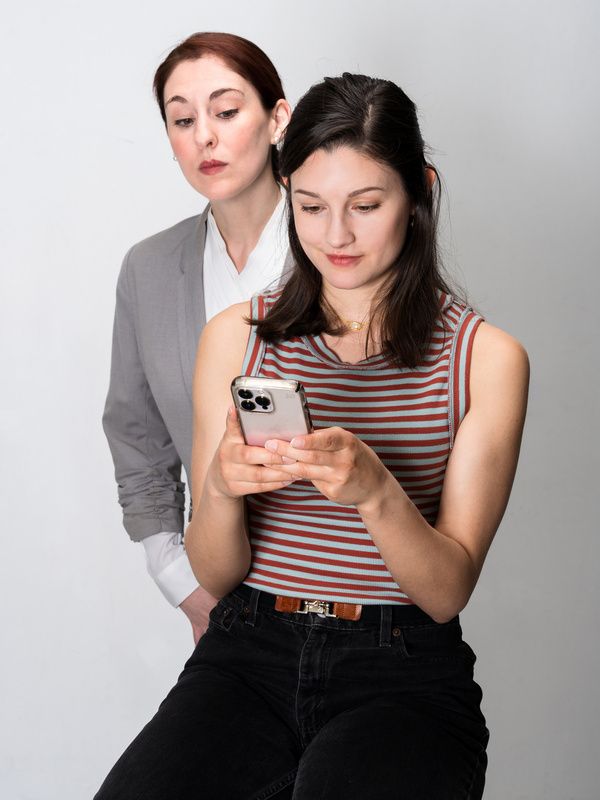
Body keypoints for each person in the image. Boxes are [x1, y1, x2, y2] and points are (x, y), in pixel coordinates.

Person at [96, 73, 529, 799]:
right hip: (247, 655)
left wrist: (375, 491)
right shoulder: (236, 337)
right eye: (310, 206)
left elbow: (447, 590)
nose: (336, 235)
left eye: (366, 205)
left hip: (403, 673)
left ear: (419, 190)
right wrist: (223, 488)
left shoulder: (486, 359)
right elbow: (215, 572)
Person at [102, 32, 292, 641]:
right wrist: (184, 585)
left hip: (354, 596)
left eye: (227, 111)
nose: (203, 136)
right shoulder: (150, 268)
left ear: (277, 119)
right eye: (182, 119)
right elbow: (137, 434)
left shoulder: (341, 251)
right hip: (224, 598)